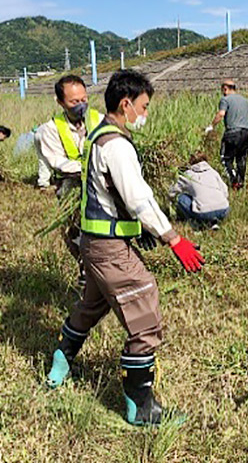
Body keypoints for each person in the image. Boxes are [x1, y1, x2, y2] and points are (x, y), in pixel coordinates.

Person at [46, 70, 205, 427]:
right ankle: (140, 406)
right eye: (144, 106)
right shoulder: (116, 145)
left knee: (91, 306)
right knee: (145, 315)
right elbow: (138, 199)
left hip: (95, 241)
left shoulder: (98, 136)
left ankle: (61, 357)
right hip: (109, 247)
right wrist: (173, 238)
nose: (145, 113)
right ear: (126, 104)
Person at [37, 75, 103, 285]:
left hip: (100, 182)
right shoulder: (49, 129)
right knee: (75, 229)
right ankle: (85, 269)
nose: (81, 105)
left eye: (84, 99)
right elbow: (57, 161)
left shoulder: (99, 119)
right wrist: (86, 168)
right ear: (60, 102)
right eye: (74, 102)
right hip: (72, 184)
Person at [204, 79, 248, 190]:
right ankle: (240, 183)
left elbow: (221, 114)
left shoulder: (225, 99)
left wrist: (211, 126)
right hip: (245, 133)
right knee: (241, 159)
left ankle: (233, 181)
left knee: (225, 158)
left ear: (225, 88)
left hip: (232, 133)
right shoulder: (246, 101)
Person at [168, 151, 229, 229]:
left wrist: (170, 200)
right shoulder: (213, 172)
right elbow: (225, 191)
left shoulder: (188, 174)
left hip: (204, 212)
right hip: (223, 210)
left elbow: (172, 192)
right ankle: (213, 222)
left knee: (181, 198)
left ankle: (196, 223)